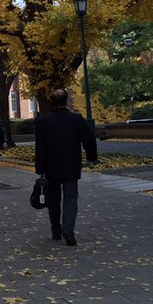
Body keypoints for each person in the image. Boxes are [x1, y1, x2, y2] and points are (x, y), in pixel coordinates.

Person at [34, 88, 98, 245]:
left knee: (54, 199)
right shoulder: (76, 119)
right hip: (71, 164)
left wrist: (40, 168)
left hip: (51, 166)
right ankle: (68, 229)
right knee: (71, 197)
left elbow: (39, 147)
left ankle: (56, 228)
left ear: (51, 102)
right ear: (66, 101)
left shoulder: (43, 121)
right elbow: (89, 139)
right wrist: (91, 157)